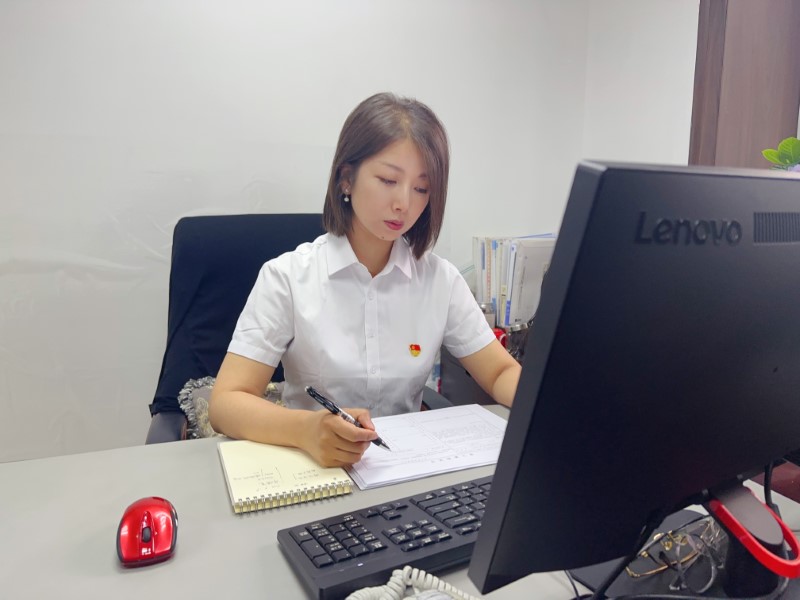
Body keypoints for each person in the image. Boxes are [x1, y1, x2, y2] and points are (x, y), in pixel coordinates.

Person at [208, 93, 521, 467]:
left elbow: (500, 371)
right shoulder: (288, 277)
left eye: (421, 188)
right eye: (388, 180)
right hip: (315, 469)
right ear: (346, 179)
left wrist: (554, 406)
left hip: (404, 469)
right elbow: (226, 403)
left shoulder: (440, 280)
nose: (404, 203)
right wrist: (306, 430)